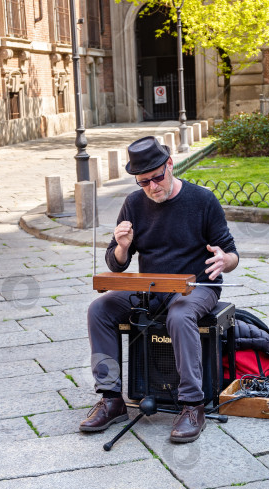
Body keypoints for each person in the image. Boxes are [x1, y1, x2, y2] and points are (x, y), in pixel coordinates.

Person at [80, 136, 238, 443]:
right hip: (151, 287)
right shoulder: (133, 204)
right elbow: (116, 264)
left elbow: (231, 254)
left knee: (179, 315)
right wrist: (123, 247)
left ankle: (192, 405)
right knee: (99, 309)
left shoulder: (202, 200)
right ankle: (111, 399)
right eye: (144, 182)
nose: (153, 187)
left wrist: (223, 260)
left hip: (197, 286)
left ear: (170, 164)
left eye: (157, 177)